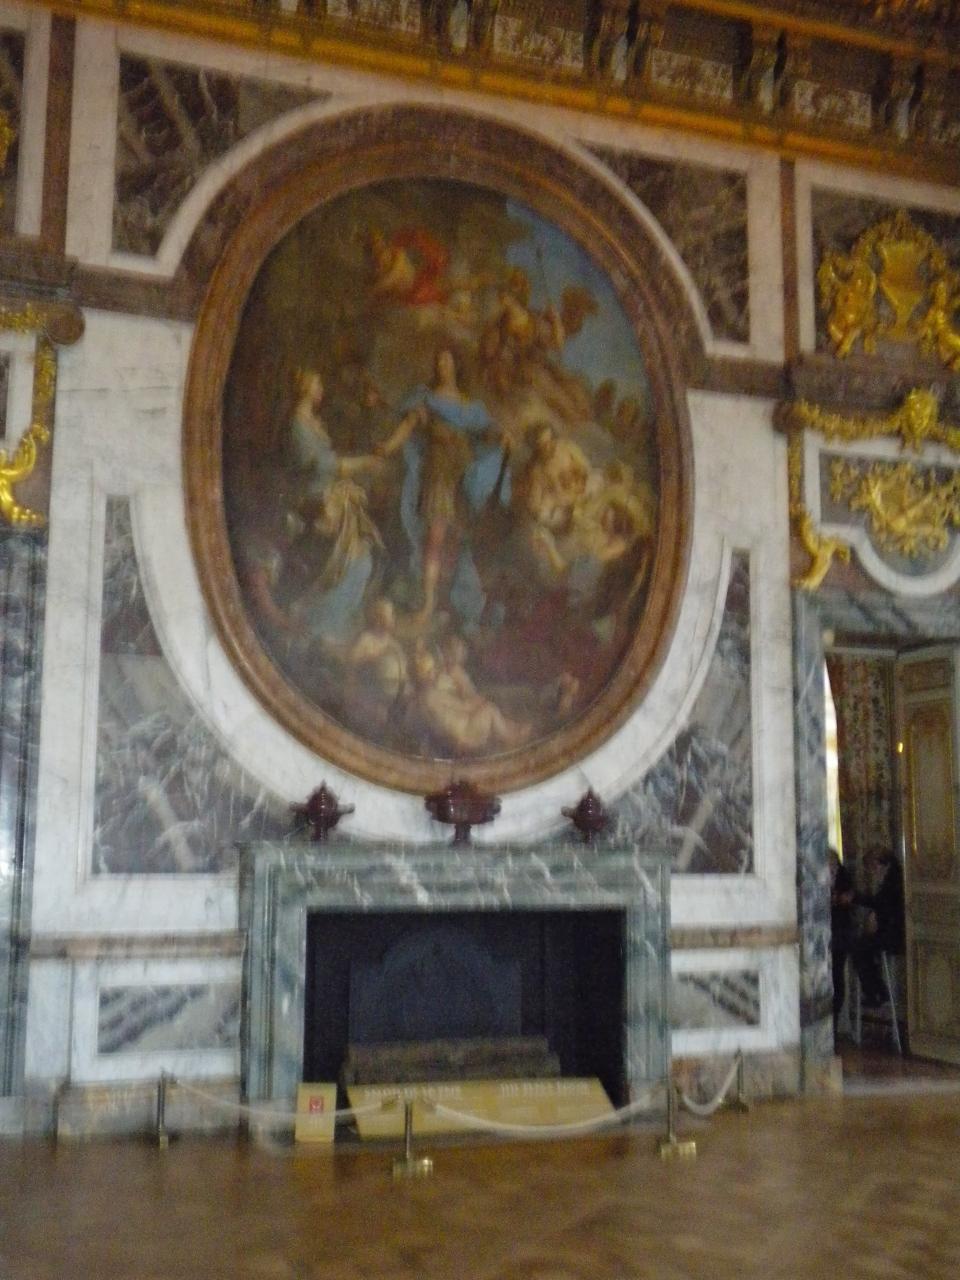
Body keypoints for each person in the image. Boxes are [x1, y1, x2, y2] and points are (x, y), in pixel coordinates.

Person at [852, 846, 905, 1009]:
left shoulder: (892, 882)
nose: (872, 872)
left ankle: (876, 993)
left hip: (893, 934)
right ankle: (877, 990)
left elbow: (885, 906)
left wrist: (875, 915)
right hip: (891, 931)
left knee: (859, 949)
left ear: (882, 864)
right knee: (861, 947)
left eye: (873, 867)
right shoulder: (893, 878)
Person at [829, 847, 855, 1033]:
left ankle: (834, 1019)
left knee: (836, 974)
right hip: (827, 932)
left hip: (839, 932)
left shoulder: (844, 878)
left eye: (833, 866)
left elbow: (844, 900)